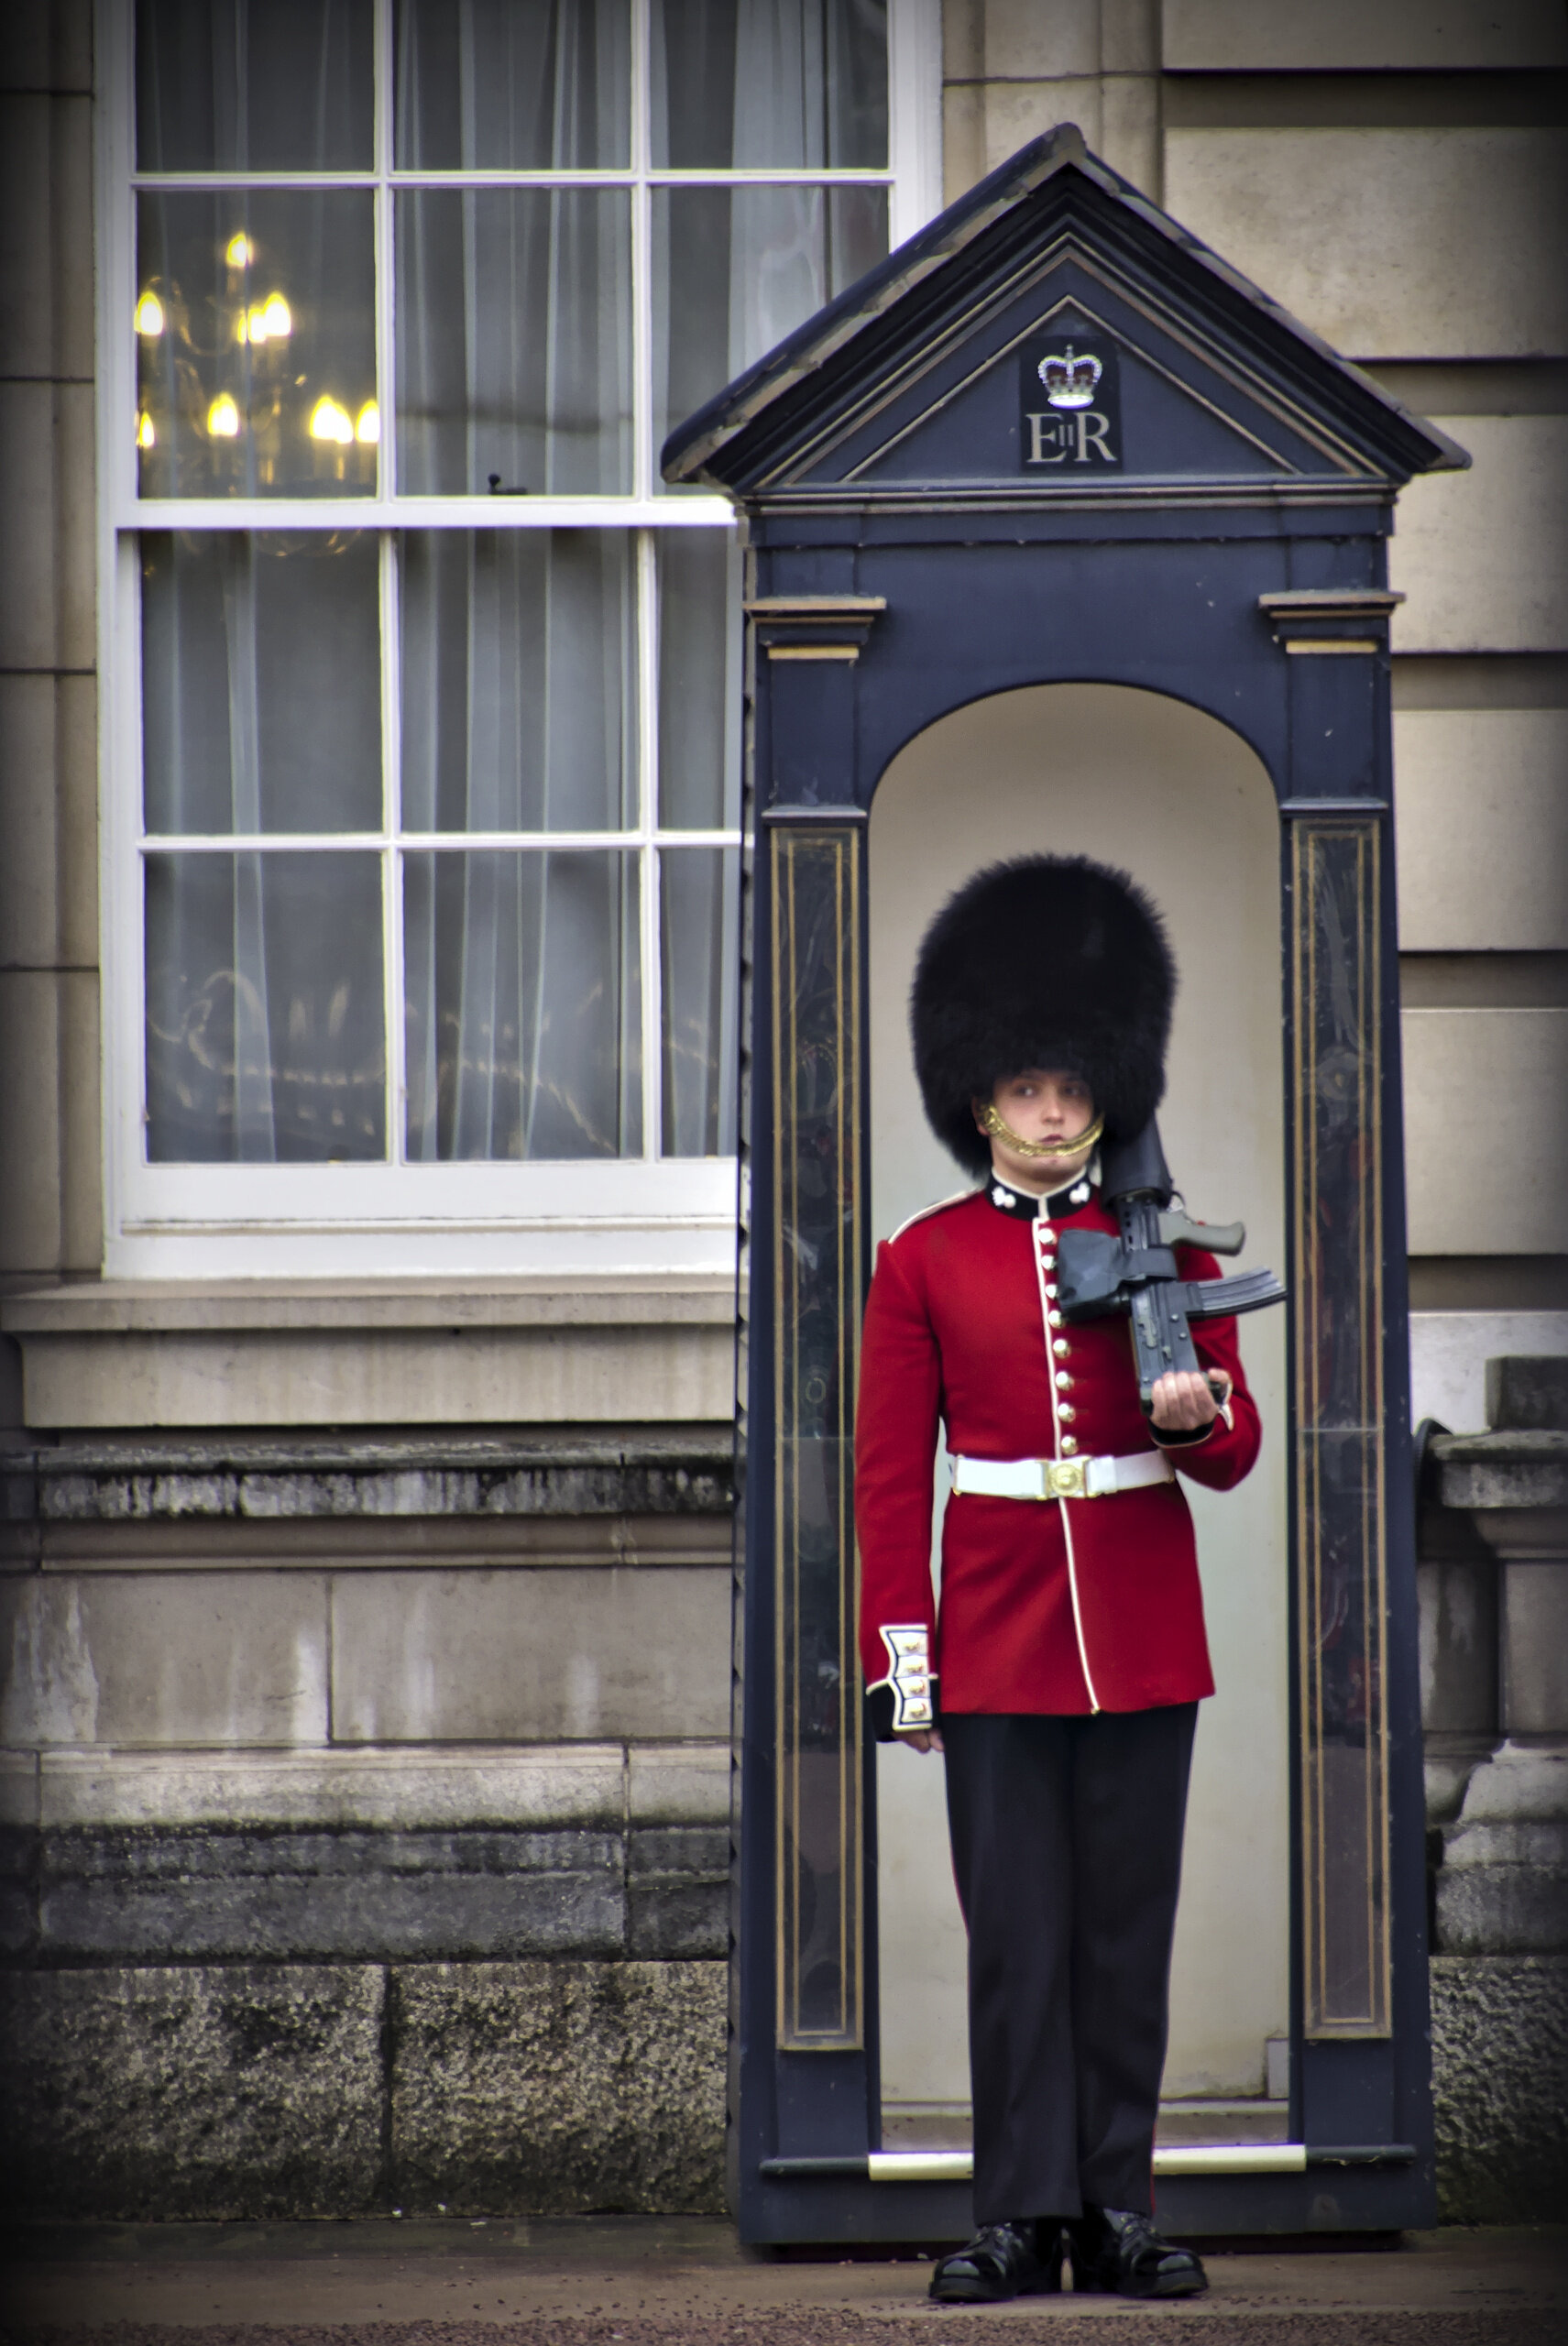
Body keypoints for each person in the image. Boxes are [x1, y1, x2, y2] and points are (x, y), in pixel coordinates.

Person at [855, 854, 1261, 2304]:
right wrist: (906, 1657)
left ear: (1105, 1089)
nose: (1047, 1109)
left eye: (1069, 1086)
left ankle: (1118, 2206)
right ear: (978, 1099)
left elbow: (1234, 1448)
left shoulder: (1156, 1241)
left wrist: (1195, 1411)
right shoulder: (924, 1261)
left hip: (1143, 1629)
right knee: (1019, 1938)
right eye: (1023, 1086)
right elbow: (894, 1479)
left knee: (1122, 1935)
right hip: (999, 1638)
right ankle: (1022, 2213)